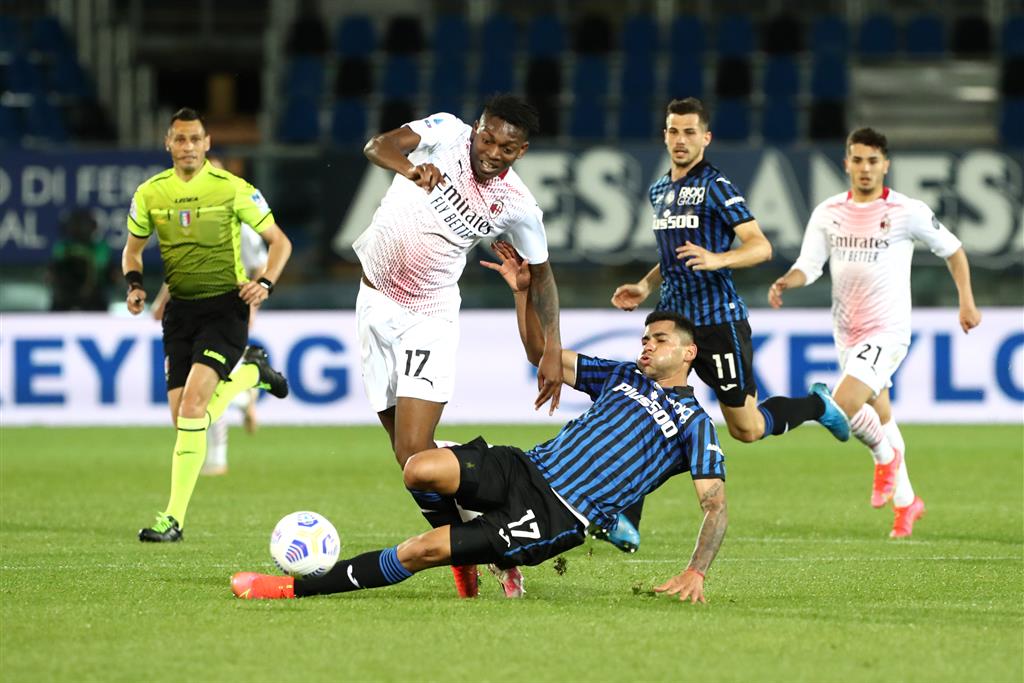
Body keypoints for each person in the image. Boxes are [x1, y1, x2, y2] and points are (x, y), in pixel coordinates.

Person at [231, 242, 728, 604]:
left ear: (688, 353)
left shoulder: (695, 424)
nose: (647, 345)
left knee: (421, 551)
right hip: (522, 467)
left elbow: (715, 505)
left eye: (659, 340)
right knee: (417, 467)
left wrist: (696, 571)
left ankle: (291, 588)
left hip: (555, 515)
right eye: (644, 338)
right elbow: (540, 354)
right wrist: (522, 294)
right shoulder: (621, 375)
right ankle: (469, 559)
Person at [608, 97, 850, 551]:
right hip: (674, 323)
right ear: (664, 135)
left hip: (718, 323)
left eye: (689, 132)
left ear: (706, 137)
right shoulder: (659, 190)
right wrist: (644, 285)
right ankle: (625, 515)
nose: (680, 140)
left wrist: (718, 258)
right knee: (649, 409)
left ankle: (816, 406)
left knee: (748, 428)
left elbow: (760, 246)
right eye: (673, 131)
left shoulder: (716, 186)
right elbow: (673, 255)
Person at [352, 94, 564, 597]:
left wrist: (554, 346)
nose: (492, 152)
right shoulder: (444, 133)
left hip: (428, 316)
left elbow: (543, 277)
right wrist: (411, 169)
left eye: (507, 148)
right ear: (475, 128)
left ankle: (495, 519)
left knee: (415, 454)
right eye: (487, 139)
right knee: (410, 461)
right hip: (372, 302)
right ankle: (468, 549)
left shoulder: (518, 204)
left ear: (522, 151)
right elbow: (377, 146)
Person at [768, 127, 981, 538]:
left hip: (888, 330)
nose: (864, 168)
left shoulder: (907, 211)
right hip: (847, 331)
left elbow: (953, 249)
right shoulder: (828, 212)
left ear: (885, 165)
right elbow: (809, 266)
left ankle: (886, 459)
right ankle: (907, 502)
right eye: (857, 160)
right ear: (846, 163)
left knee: (843, 404)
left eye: (872, 161)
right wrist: (787, 281)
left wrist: (966, 302)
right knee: (881, 416)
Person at [124, 108, 293, 542]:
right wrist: (135, 285)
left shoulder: (233, 188)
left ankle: (172, 520)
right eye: (180, 139)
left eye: (195, 139)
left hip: (225, 310)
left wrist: (266, 283)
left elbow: (280, 242)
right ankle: (251, 374)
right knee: (185, 422)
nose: (188, 147)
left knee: (194, 410)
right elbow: (132, 250)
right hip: (180, 314)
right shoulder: (150, 193)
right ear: (168, 143)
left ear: (207, 143)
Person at [150, 156, 267, 476]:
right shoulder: (186, 218)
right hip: (190, 312)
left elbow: (261, 264)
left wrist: (252, 302)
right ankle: (245, 394)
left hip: (226, 312)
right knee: (196, 398)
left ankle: (218, 457)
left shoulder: (240, 220)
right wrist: (161, 302)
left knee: (204, 390)